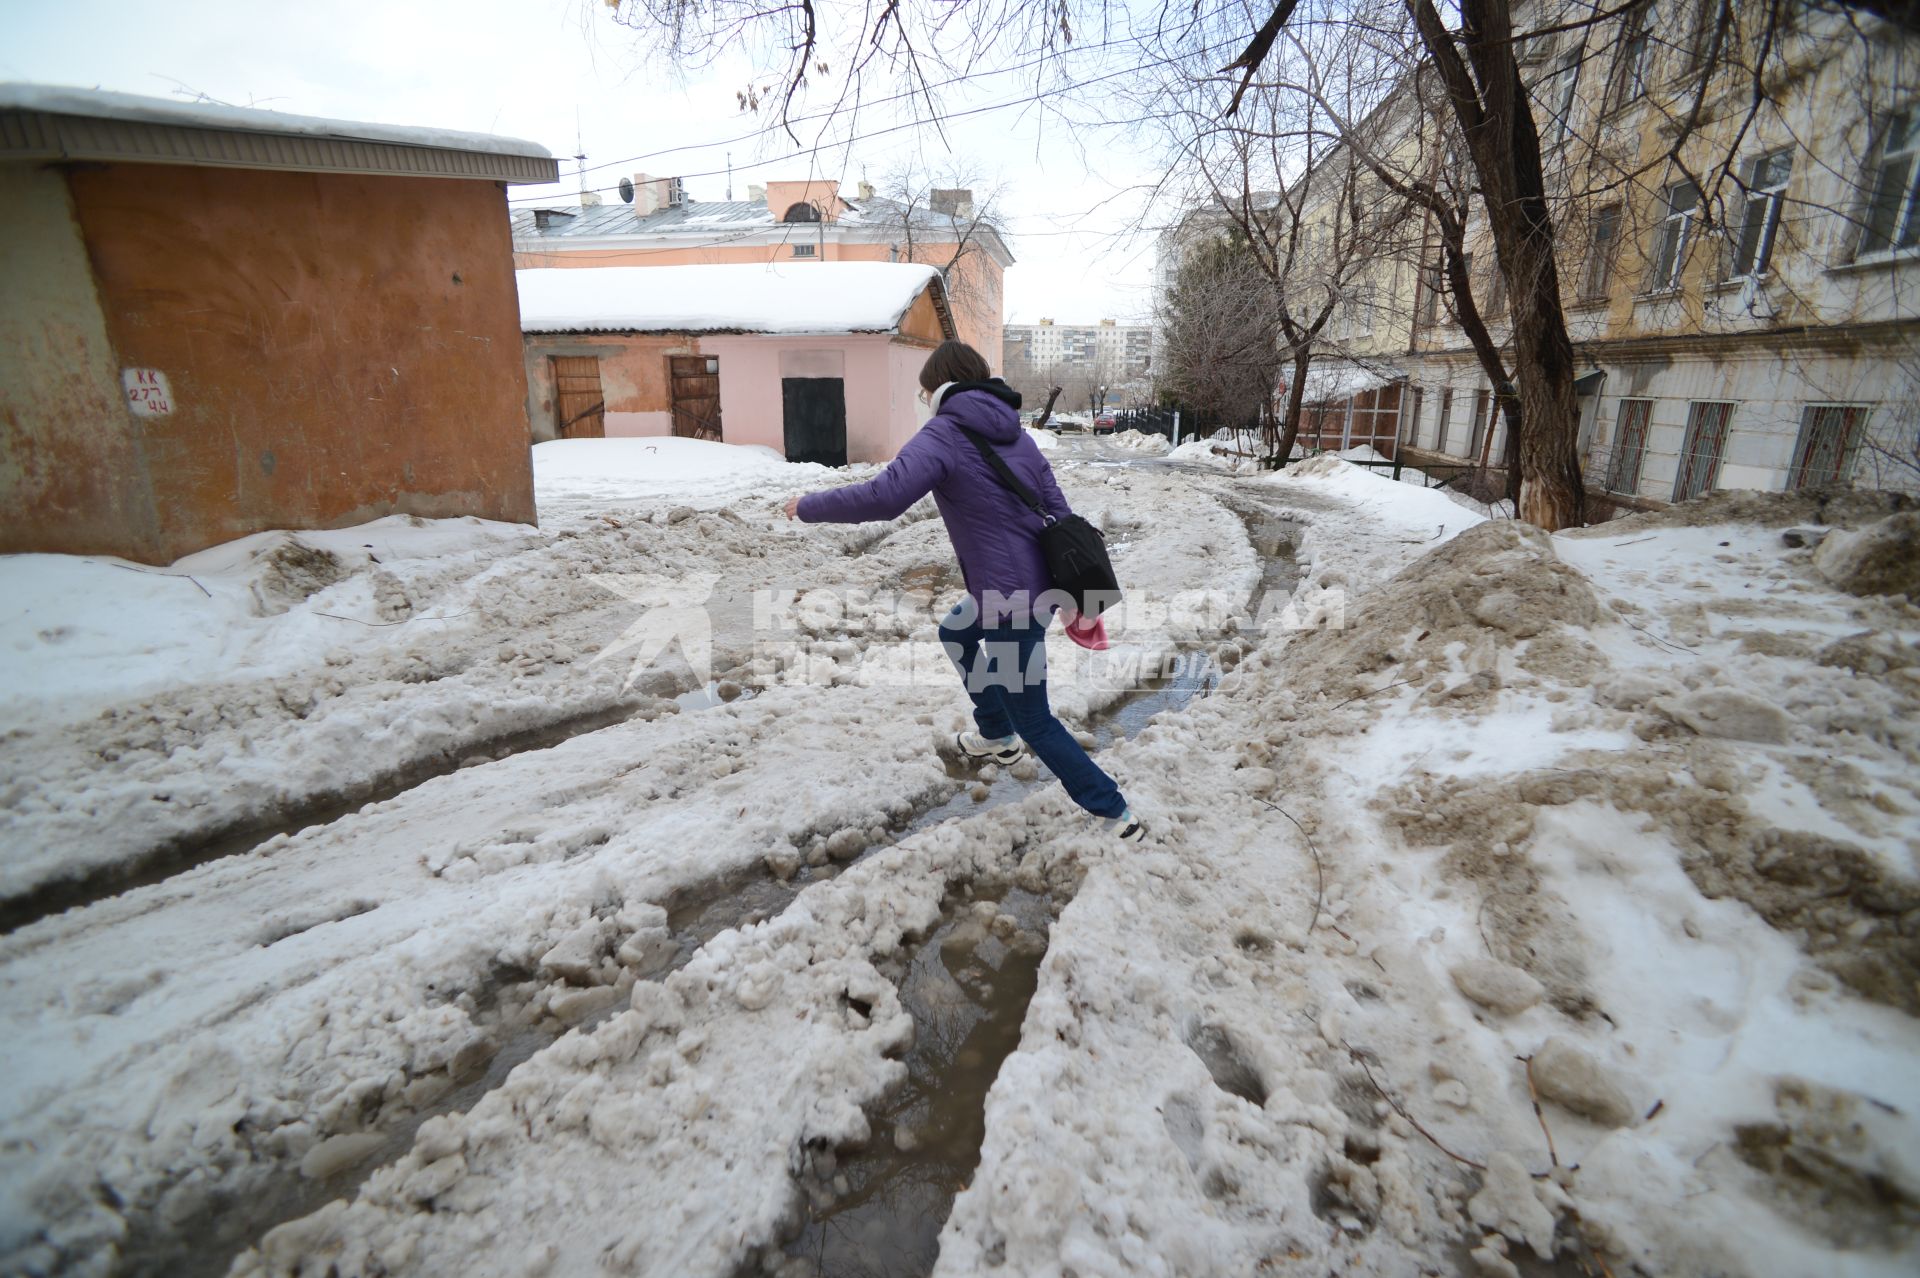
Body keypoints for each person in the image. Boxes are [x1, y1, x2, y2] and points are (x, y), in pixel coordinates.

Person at [784, 339, 1144, 844]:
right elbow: (1059, 509)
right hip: (1028, 586)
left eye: (921, 390)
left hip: (1010, 600)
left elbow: (884, 497)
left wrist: (808, 505)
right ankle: (996, 734)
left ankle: (1114, 812)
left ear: (937, 388)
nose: (920, 397)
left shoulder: (944, 434)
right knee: (955, 629)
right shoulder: (1017, 436)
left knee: (1036, 721)